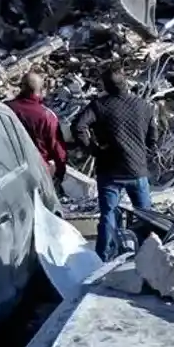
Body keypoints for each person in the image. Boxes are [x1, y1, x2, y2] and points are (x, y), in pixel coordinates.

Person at [73, 66, 158, 260]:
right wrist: (145, 154)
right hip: (137, 170)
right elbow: (153, 138)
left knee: (108, 214)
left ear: (106, 86)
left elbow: (78, 127)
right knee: (146, 215)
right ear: (126, 82)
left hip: (110, 171)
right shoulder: (144, 106)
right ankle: (150, 255)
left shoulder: (99, 105)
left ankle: (103, 257)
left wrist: (93, 150)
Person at [6, 71, 67, 187]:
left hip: (8, 170)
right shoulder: (47, 116)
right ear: (41, 89)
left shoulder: (6, 109)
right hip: (38, 171)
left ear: (21, 87)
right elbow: (56, 147)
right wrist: (60, 172)